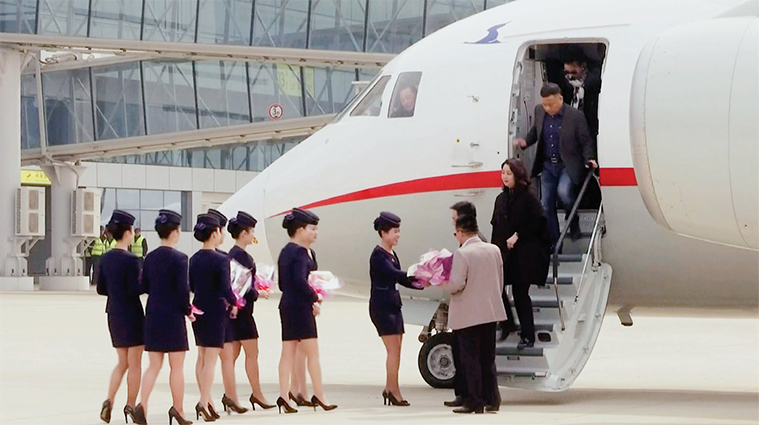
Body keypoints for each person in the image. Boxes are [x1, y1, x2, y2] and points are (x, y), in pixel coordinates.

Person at [513, 83, 598, 246]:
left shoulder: (575, 116)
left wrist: (590, 158)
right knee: (546, 203)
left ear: (560, 99)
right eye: (544, 104)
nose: (547, 108)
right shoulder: (539, 111)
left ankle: (573, 221)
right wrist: (525, 141)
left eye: (551, 104)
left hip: (566, 164)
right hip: (547, 166)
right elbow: (535, 132)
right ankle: (554, 240)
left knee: (564, 193)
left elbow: (586, 140)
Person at [440, 214, 507, 414]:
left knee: (470, 359)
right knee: (488, 358)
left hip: (468, 314)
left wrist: (442, 281)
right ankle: (492, 399)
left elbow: (456, 284)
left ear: (460, 233)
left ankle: (474, 401)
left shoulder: (463, 253)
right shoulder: (494, 249)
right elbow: (500, 280)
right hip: (490, 311)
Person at [276, 208, 337, 414]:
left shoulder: (287, 251)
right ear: (300, 230)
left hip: (288, 305)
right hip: (299, 308)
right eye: (312, 228)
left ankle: (284, 396)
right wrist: (315, 297)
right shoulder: (299, 252)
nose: (315, 232)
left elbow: (285, 284)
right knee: (313, 354)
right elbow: (300, 282)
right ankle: (319, 395)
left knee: (288, 353)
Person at [138, 209, 193, 425]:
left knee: (153, 365)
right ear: (175, 232)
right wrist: (188, 310)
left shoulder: (150, 257)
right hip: (173, 317)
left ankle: (142, 404)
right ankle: (178, 409)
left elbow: (144, 286)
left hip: (153, 314)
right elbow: (182, 290)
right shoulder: (180, 259)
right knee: (176, 366)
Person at [491, 159, 551, 349]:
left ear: (517, 175)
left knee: (520, 293)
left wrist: (518, 235)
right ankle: (507, 323)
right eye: (503, 173)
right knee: (496, 288)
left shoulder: (528, 198)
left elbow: (538, 223)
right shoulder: (500, 199)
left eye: (509, 173)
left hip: (525, 254)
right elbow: (496, 226)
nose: (505, 177)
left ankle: (528, 335)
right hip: (505, 253)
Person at [220, 211, 275, 413]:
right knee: (252, 354)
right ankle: (256, 394)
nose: (253, 235)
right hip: (243, 314)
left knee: (232, 356)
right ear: (243, 233)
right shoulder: (241, 256)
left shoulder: (231, 255)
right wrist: (257, 293)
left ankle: (230, 396)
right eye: (251, 231)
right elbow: (239, 285)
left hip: (232, 313)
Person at [96, 210, 145, 424]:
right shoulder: (132, 261)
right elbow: (136, 288)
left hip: (113, 312)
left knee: (122, 362)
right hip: (132, 313)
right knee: (135, 364)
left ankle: (109, 400)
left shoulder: (105, 258)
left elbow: (100, 288)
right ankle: (131, 405)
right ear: (127, 233)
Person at [369, 212, 422, 406]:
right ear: (383, 233)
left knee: (397, 349)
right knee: (393, 350)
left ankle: (389, 388)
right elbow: (395, 274)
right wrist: (417, 276)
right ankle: (394, 390)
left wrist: (419, 284)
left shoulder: (391, 253)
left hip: (393, 304)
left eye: (399, 231)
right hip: (382, 307)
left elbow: (399, 278)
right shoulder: (378, 255)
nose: (398, 235)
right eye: (394, 231)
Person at [189, 213, 238, 422]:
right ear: (215, 232)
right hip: (216, 310)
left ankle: (207, 400)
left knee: (201, 358)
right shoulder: (221, 259)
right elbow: (226, 289)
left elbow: (190, 286)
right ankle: (203, 401)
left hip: (199, 308)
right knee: (210, 361)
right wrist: (236, 302)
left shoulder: (194, 259)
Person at [562, 58, 601, 141]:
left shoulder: (593, 83)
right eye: (567, 72)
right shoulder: (565, 85)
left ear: (582, 68)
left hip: (589, 126)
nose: (570, 76)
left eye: (573, 72)